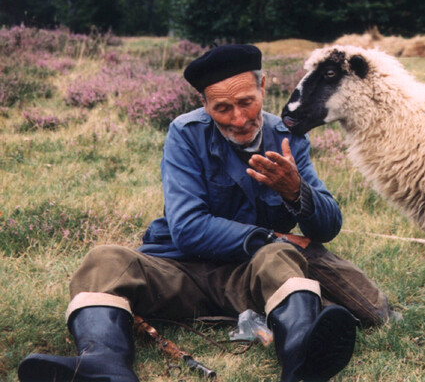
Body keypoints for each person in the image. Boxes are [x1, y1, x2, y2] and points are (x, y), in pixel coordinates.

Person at [18, 44, 391, 382]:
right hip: (180, 269)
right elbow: (187, 229)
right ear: (204, 104)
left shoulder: (288, 136)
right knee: (105, 259)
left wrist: (295, 190)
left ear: (263, 88)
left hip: (252, 276)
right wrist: (268, 236)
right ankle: (102, 364)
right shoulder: (184, 133)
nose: (238, 118)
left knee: (281, 257)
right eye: (222, 108)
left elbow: (327, 227)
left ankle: (300, 358)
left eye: (246, 101)